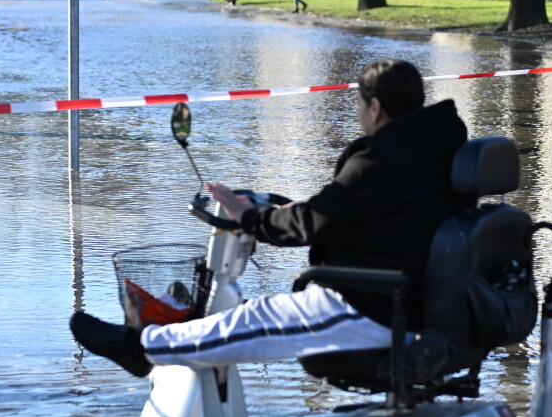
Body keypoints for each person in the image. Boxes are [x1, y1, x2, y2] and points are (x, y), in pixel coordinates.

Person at [70, 60, 474, 376]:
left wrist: (251, 218)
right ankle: (146, 345)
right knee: (249, 319)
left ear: (375, 106)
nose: (359, 115)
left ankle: (139, 349)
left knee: (248, 322)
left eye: (359, 106)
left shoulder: (381, 157)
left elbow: (316, 223)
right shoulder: (437, 149)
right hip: (410, 297)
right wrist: (286, 212)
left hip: (368, 305)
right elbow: (365, 212)